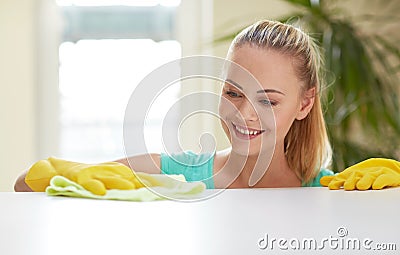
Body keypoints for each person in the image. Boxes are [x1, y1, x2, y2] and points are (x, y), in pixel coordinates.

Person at [14, 20, 334, 192]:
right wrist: (70, 175)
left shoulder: (328, 191)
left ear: (304, 104)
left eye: (267, 100)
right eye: (233, 94)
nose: (245, 114)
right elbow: (24, 184)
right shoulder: (178, 174)